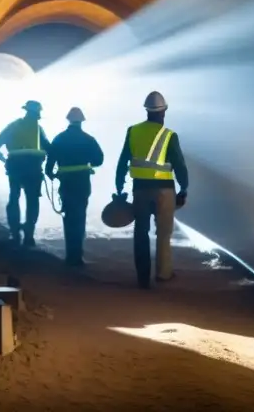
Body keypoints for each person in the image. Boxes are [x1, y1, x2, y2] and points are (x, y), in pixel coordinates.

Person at [115, 91, 189, 289]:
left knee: (141, 231)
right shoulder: (169, 136)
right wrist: (184, 188)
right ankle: (164, 274)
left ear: (147, 111)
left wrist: (119, 186)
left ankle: (142, 277)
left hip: (140, 190)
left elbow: (123, 161)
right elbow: (179, 164)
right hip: (164, 191)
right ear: (164, 112)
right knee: (164, 233)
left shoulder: (133, 131)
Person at [46, 107, 104, 267]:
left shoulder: (59, 139)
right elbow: (99, 160)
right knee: (80, 216)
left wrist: (53, 175)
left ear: (68, 120)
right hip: (82, 182)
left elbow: (49, 167)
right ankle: (77, 256)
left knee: (68, 216)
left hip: (66, 183)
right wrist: (88, 163)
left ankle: (70, 255)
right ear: (81, 121)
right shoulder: (88, 139)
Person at [0, 100, 51, 247]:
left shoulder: (13, 126)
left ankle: (15, 233)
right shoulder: (38, 129)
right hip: (33, 168)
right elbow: (49, 149)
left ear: (26, 111)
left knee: (14, 197)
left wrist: (4, 160)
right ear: (37, 114)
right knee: (32, 201)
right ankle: (29, 236)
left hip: (15, 167)